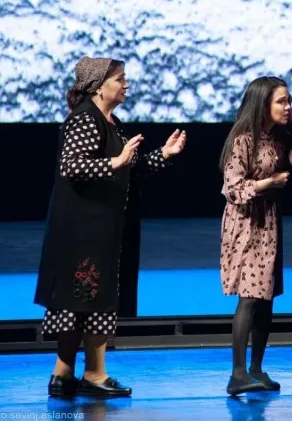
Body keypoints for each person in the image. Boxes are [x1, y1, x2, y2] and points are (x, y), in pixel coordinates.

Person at [34, 56, 187, 398]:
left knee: (86, 300)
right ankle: (91, 374)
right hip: (82, 231)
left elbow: (130, 169)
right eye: (120, 79)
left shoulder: (111, 123)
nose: (126, 84)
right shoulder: (85, 120)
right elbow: (71, 166)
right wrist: (115, 162)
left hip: (100, 230)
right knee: (86, 299)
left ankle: (66, 375)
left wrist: (164, 154)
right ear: (98, 87)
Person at [219, 76, 292, 396]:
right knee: (250, 295)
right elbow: (232, 188)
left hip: (269, 222)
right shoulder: (243, 139)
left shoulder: (277, 138)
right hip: (246, 222)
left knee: (266, 296)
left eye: (289, 101)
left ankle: (256, 369)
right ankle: (238, 373)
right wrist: (267, 183)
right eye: (281, 102)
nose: (288, 107)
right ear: (262, 104)